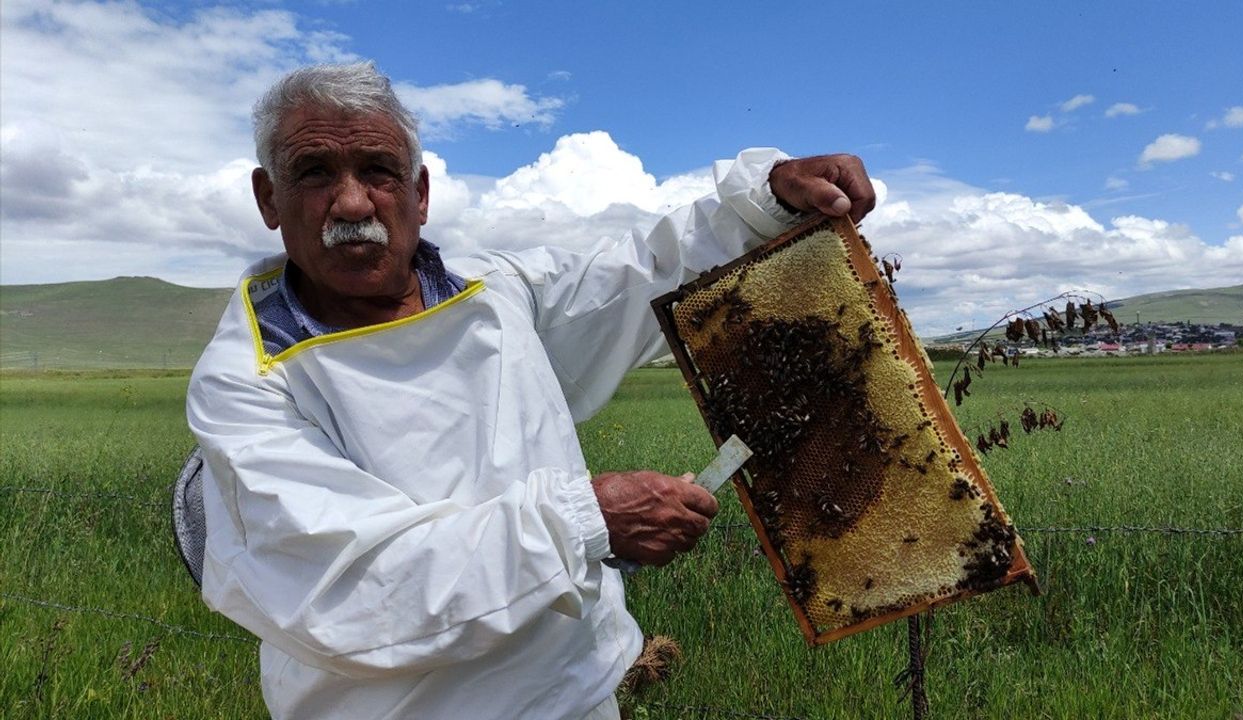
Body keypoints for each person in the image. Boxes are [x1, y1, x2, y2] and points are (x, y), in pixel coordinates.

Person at [187, 61, 875, 720]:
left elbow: (641, 275)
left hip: (581, 699)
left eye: (378, 171)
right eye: (313, 173)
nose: (351, 202)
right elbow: (354, 590)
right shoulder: (246, 382)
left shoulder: (496, 291)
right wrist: (587, 521)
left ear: (420, 194)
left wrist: (765, 205)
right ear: (268, 198)